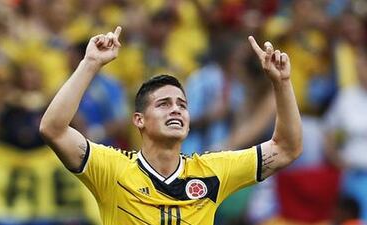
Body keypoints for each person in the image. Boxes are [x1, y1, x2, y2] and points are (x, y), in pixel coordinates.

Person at [39, 26, 302, 224]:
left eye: (182, 105)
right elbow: (54, 129)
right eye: (163, 104)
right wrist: (90, 63)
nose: (176, 108)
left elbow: (286, 148)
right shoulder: (111, 169)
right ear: (139, 120)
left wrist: (282, 83)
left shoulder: (213, 171)